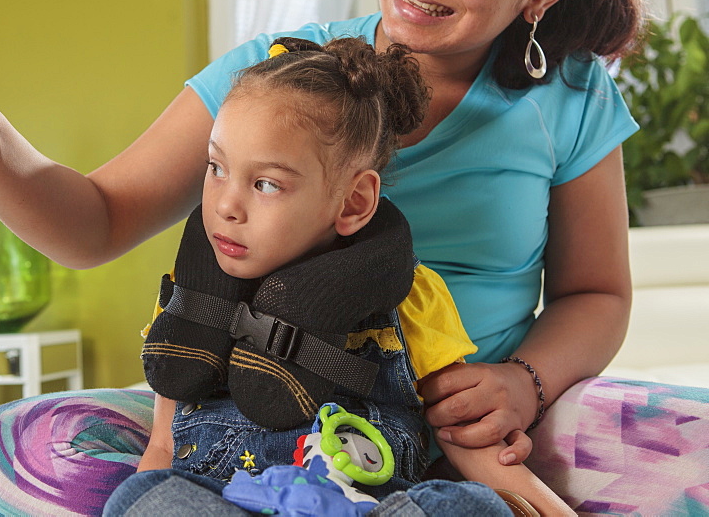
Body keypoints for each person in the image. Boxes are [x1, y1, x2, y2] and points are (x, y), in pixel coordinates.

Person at [0, 0, 665, 513]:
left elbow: (597, 293)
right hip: (255, 409)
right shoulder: (277, 79)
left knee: (673, 444)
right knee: (0, 448)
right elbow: (94, 223)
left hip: (463, 429)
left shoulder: (572, 98)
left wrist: (524, 385)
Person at [104, 35, 571, 516]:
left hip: (361, 507)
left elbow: (461, 429)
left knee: (467, 505)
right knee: (141, 499)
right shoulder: (194, 295)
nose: (226, 206)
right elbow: (162, 447)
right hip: (229, 505)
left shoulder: (412, 296)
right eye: (216, 167)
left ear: (354, 202)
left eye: (266, 183)